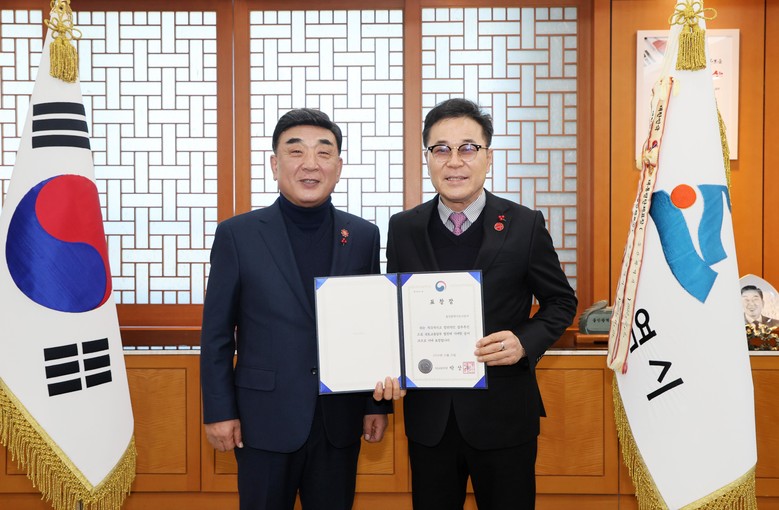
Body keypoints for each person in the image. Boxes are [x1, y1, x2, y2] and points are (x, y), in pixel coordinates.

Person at [385, 98, 578, 509]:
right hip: (430, 420)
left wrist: (524, 342)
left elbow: (561, 301)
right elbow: (393, 313)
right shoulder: (403, 228)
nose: (454, 161)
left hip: (504, 416)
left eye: (468, 148)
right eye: (441, 149)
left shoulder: (524, 224)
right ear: (428, 158)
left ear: (488, 158)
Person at [200, 108, 394, 510]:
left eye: (323, 153)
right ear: (275, 165)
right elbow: (216, 334)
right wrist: (218, 411)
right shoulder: (237, 235)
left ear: (338, 166)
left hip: (339, 419)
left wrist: (375, 405)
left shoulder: (362, 235)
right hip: (263, 419)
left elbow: (372, 325)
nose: (310, 164)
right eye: (296, 151)